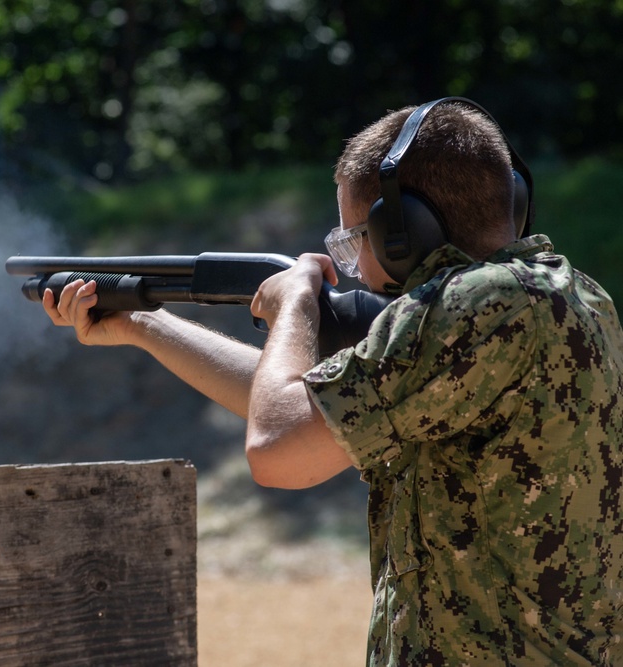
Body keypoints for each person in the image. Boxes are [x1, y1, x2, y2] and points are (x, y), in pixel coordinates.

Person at [41, 98, 623, 665]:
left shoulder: (480, 304)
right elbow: (308, 410)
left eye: (355, 239)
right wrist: (144, 324)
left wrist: (295, 307)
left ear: (405, 230)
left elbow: (277, 450)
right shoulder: (569, 296)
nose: (354, 268)